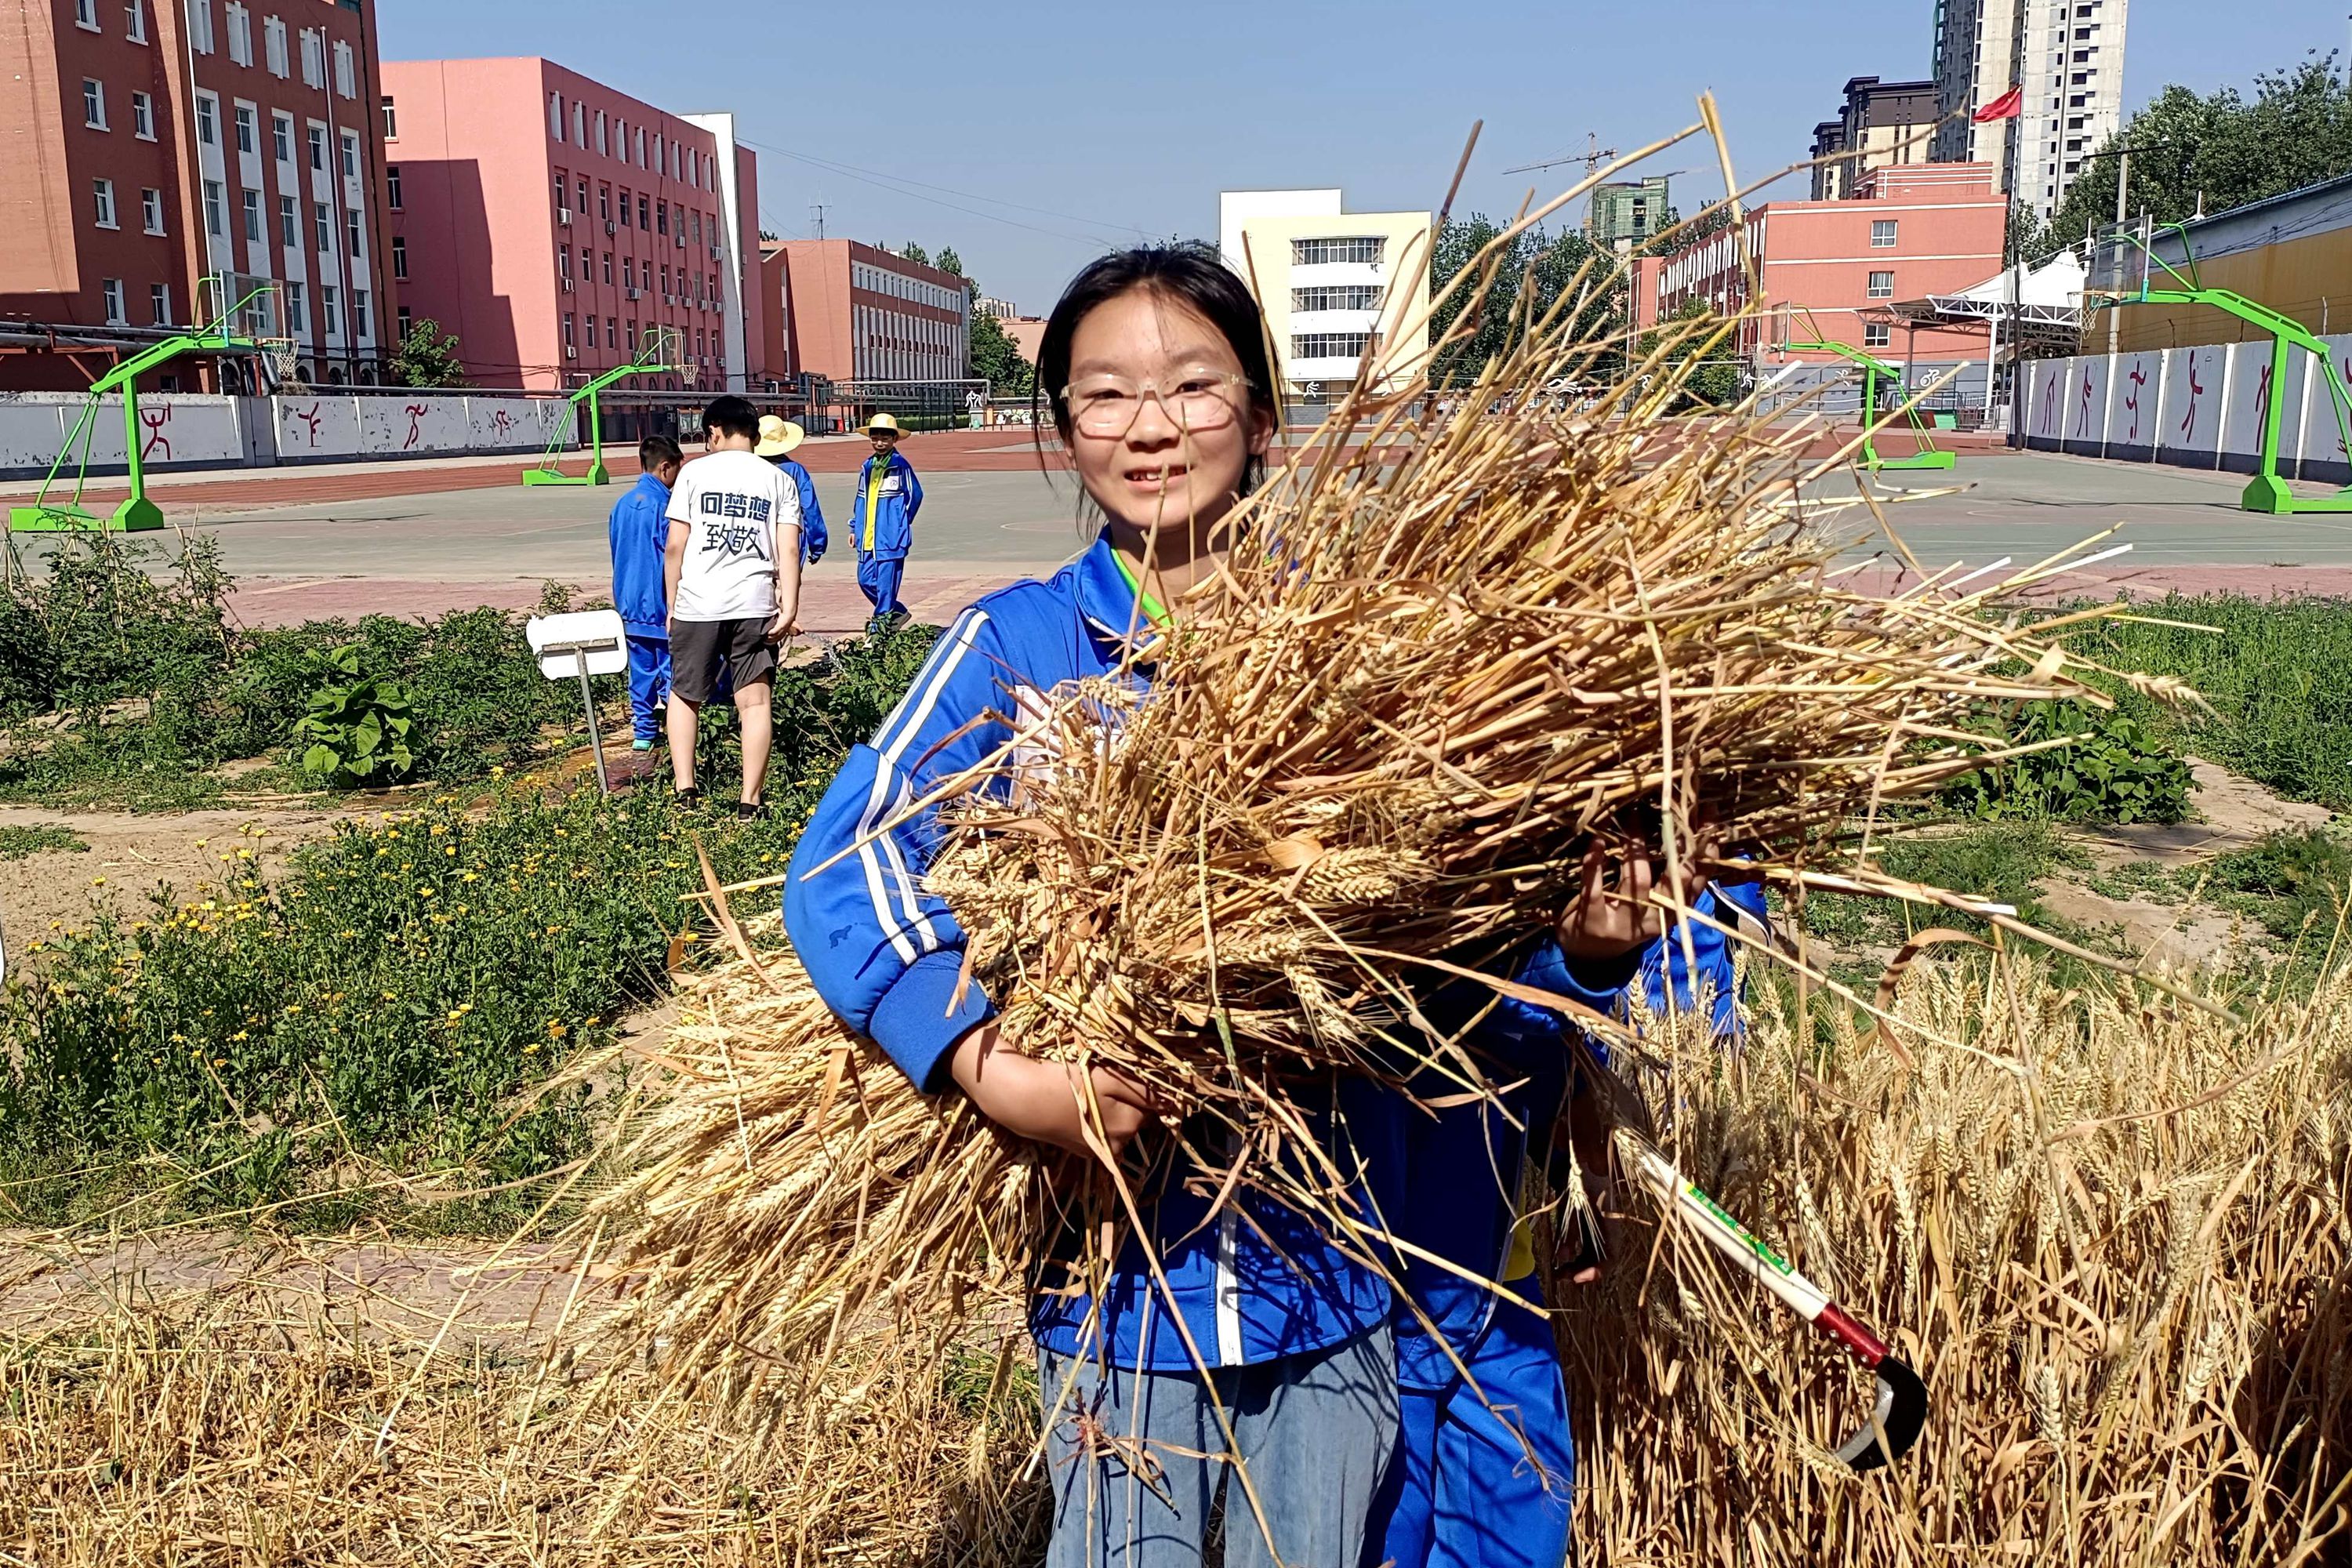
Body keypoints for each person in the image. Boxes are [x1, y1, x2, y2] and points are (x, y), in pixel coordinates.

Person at [785, 245, 1674, 1568]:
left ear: (1263, 416)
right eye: (1104, 396)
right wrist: (990, 1064)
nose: (1151, 426)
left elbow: (1470, 945)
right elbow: (840, 859)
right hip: (1120, 1292)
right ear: (1063, 426)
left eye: (1194, 386)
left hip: (1337, 1284)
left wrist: (1582, 953)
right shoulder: (1023, 651)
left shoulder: (1382, 654)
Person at [1369, 879, 1773, 1568]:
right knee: (1385, 1517)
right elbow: (1498, 1008)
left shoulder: (1564, 904)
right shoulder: (1428, 910)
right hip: (1399, 1280)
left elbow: (1551, 1043)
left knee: (1526, 1496)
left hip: (1499, 1270)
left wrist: (1588, 1160)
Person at [663, 394, 802, 815]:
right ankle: (750, 800)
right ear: (756, 436)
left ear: (715, 432)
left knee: (686, 695)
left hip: (699, 603)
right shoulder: (779, 479)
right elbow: (790, 548)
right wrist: (790, 605)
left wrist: (672, 602)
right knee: (756, 702)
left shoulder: (693, 474)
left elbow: (675, 545)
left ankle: (685, 790)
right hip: (754, 602)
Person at [608, 434, 684, 753]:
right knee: (671, 669)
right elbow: (675, 553)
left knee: (640, 670)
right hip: (660, 603)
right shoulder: (665, 506)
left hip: (628, 602)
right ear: (665, 468)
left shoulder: (622, 504)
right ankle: (675, 726)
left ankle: (644, 731)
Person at [848, 411, 922, 631]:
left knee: (886, 586)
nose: (879, 443)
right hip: (867, 536)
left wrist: (900, 522)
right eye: (875, 438)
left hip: (890, 538)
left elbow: (915, 495)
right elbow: (860, 499)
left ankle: (878, 630)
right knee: (865, 580)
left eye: (885, 438)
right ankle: (896, 611)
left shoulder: (900, 466)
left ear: (894, 439)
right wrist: (855, 526)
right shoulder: (867, 466)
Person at [755, 412, 829, 568]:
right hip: (790, 535)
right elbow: (809, 508)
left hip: (755, 536)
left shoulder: (748, 468)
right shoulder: (795, 471)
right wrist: (817, 544)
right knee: (788, 583)